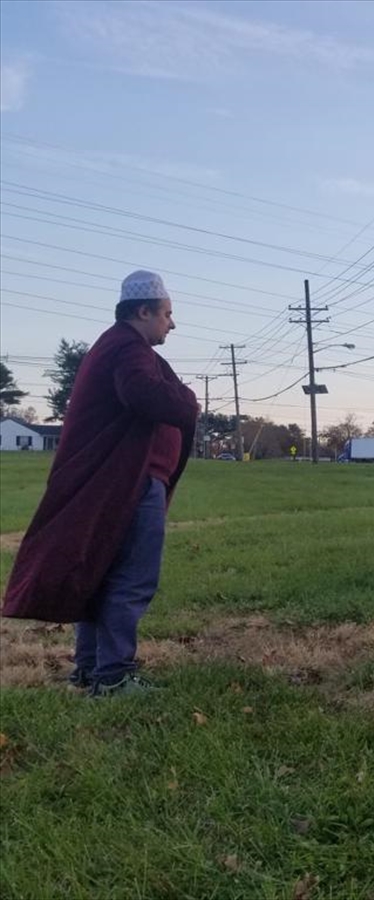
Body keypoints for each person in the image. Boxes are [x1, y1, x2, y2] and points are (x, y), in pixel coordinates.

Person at [2, 271, 198, 697]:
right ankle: (114, 676)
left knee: (102, 573)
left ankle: (91, 669)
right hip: (128, 479)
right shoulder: (129, 348)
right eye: (167, 314)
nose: (172, 323)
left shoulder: (116, 347)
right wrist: (188, 399)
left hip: (121, 479)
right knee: (131, 579)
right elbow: (145, 395)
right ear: (143, 311)